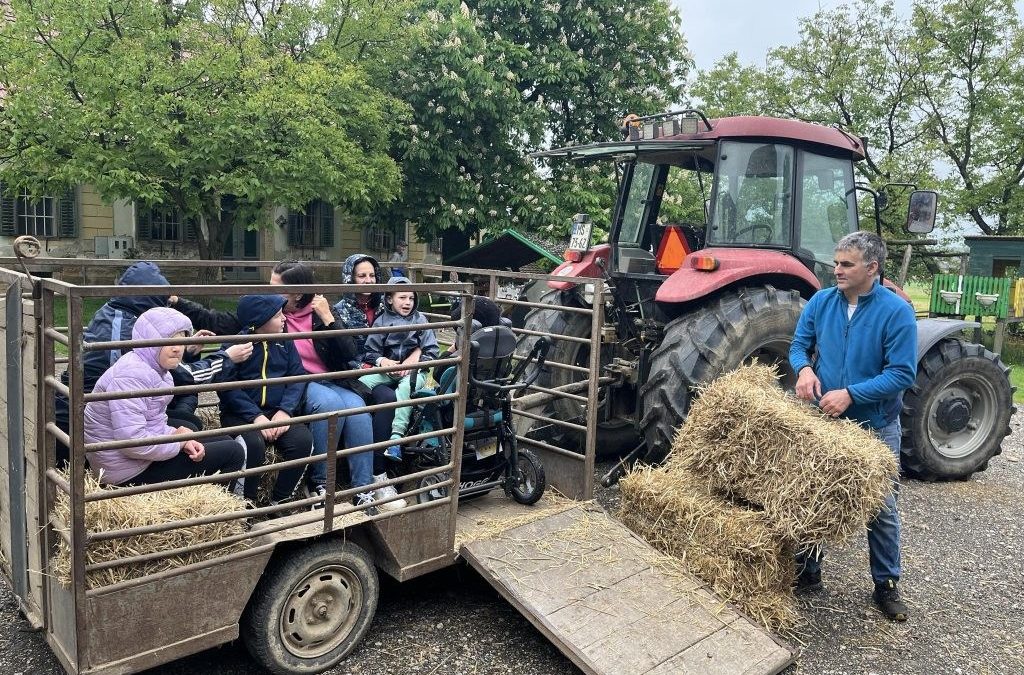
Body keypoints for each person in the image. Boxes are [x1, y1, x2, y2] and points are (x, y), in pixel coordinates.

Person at [789, 231, 917, 622]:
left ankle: (886, 586)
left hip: (875, 426)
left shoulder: (896, 312)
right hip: (826, 421)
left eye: (846, 264)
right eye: (837, 262)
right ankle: (808, 571)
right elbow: (798, 345)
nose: (836, 270)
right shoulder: (823, 301)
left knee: (880, 506)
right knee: (812, 493)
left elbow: (902, 373)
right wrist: (805, 369)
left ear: (872, 268)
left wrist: (851, 394)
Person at [56, 261, 251, 465]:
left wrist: (189, 351)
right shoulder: (132, 332)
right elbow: (187, 376)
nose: (168, 306)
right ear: (154, 301)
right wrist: (226, 358)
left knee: (189, 419)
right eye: (165, 302)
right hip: (96, 425)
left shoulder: (115, 311)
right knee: (193, 425)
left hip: (97, 413)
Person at [270, 261, 404, 512]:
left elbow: (349, 352)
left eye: (276, 288)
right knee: (330, 405)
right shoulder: (272, 313)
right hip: (299, 382)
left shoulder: (320, 310)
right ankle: (319, 483)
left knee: (358, 409)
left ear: (298, 292)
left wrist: (329, 319)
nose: (269, 292)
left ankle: (362, 489)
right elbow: (229, 321)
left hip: (331, 378)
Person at [84, 307, 245, 487]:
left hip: (132, 460)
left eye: (182, 342)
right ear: (151, 342)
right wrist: (178, 442)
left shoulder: (155, 369)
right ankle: (223, 513)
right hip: (125, 472)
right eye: (169, 342)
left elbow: (152, 424)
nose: (177, 349)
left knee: (222, 440)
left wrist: (177, 436)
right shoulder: (132, 376)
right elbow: (132, 442)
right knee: (233, 452)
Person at [217, 295, 315, 507]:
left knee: (303, 441)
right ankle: (245, 504)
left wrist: (285, 411)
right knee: (253, 445)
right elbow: (227, 388)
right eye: (278, 316)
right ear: (260, 321)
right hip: (241, 414)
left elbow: (297, 379)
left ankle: (281, 500)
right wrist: (256, 417)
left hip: (276, 411)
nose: (284, 320)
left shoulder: (285, 343)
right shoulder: (236, 347)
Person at [358, 277, 440, 461]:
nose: (407, 303)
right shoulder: (381, 322)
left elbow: (432, 351)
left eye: (411, 298)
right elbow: (370, 352)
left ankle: (396, 438)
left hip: (415, 371)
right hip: (389, 369)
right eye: (402, 297)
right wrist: (383, 362)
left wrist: (415, 365)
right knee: (361, 383)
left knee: (405, 389)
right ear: (389, 299)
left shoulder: (421, 320)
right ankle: (359, 426)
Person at [333, 254, 401, 456]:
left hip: (388, 366)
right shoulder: (339, 311)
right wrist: (363, 367)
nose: (368, 280)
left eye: (372, 275)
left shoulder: (385, 306)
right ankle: (378, 464)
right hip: (358, 371)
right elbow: (343, 351)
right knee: (387, 397)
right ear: (350, 278)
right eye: (361, 275)